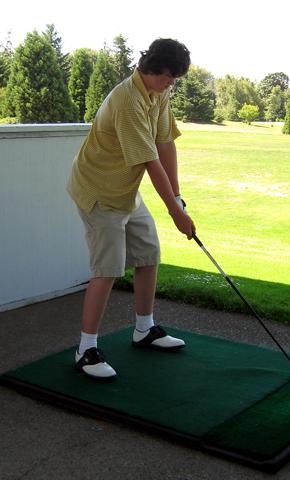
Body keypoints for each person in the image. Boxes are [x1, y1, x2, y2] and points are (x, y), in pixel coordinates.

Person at [66, 38, 196, 380]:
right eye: (168, 76)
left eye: (175, 78)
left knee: (149, 253)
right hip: (99, 192)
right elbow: (150, 161)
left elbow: (165, 142)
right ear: (152, 68)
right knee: (107, 269)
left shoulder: (158, 92)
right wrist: (175, 213)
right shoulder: (127, 100)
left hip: (126, 190)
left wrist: (178, 198)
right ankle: (86, 349)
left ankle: (144, 329)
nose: (172, 83)